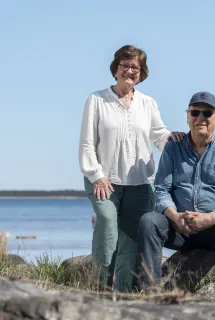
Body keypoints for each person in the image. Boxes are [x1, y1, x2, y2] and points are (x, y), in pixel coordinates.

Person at [79, 45, 183, 292]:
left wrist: (173, 138)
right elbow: (86, 142)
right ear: (116, 68)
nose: (129, 71)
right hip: (104, 181)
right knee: (106, 227)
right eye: (125, 65)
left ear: (142, 73)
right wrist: (97, 175)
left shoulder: (148, 103)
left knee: (131, 240)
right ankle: (100, 289)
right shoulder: (97, 99)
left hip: (140, 182)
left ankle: (123, 293)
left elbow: (158, 135)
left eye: (135, 67)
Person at [137, 91, 215, 290]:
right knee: (149, 221)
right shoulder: (173, 148)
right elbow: (162, 189)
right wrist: (175, 217)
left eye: (207, 113)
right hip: (179, 229)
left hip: (214, 229)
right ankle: (148, 291)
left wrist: (212, 217)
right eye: (195, 112)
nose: (200, 118)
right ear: (187, 117)